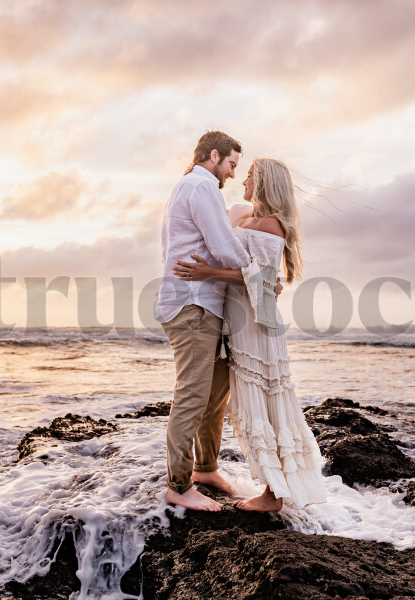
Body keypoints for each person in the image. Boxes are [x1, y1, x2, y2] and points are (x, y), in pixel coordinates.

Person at [173, 158, 328, 512]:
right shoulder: (243, 213)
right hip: (238, 320)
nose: (242, 179)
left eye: (250, 175)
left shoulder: (271, 225)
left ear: (264, 183)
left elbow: (258, 280)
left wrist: (207, 273)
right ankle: (211, 470)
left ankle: (273, 496)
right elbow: (210, 214)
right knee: (234, 398)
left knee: (265, 402)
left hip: (256, 326)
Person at [154, 131, 252, 512]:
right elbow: (223, 246)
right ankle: (177, 485)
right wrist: (257, 271)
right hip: (192, 306)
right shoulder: (202, 186)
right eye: (231, 164)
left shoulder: (189, 186)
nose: (231, 173)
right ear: (214, 156)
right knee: (193, 394)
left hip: (203, 304)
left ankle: (205, 468)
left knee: (215, 393)